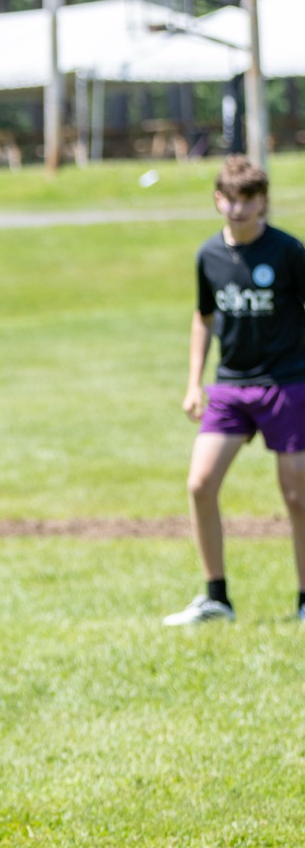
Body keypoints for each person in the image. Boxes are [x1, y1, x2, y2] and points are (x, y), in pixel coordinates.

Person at [166, 155, 305, 626]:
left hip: (287, 383)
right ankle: (216, 598)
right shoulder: (208, 255)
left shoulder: (288, 252)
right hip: (230, 386)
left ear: (263, 201)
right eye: (230, 198)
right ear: (217, 199)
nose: (239, 208)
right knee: (200, 484)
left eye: (249, 199)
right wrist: (193, 383)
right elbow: (203, 317)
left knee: (297, 495)